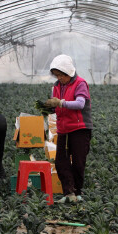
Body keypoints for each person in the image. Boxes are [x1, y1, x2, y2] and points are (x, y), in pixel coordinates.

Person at [44, 54, 92, 204]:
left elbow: (80, 104)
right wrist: (49, 107)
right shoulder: (57, 86)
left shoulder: (80, 83)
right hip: (63, 129)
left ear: (68, 72)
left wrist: (60, 102)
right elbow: (57, 106)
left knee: (78, 162)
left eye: (61, 75)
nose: (59, 78)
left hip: (79, 128)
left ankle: (77, 192)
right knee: (61, 162)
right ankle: (68, 193)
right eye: (57, 75)